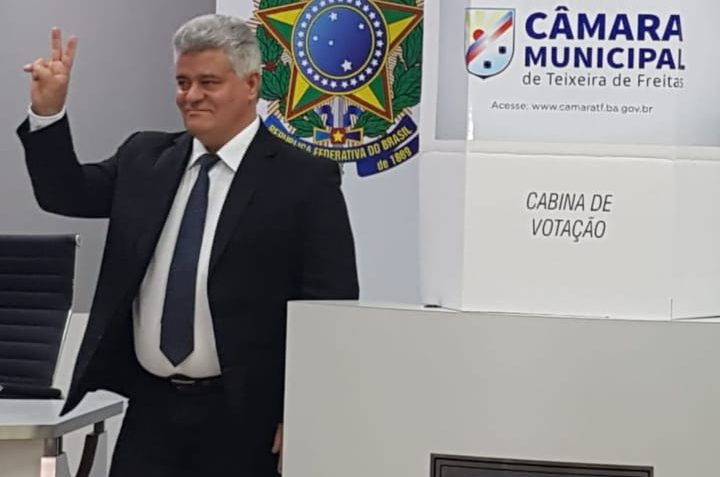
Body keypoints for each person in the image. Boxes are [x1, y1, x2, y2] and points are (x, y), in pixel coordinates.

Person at [17, 14, 358, 477]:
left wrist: (302, 408)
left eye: (208, 82)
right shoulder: (145, 158)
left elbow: (329, 303)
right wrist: (48, 115)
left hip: (245, 417)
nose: (191, 95)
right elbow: (64, 193)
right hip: (151, 409)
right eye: (182, 82)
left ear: (251, 84)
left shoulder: (303, 178)